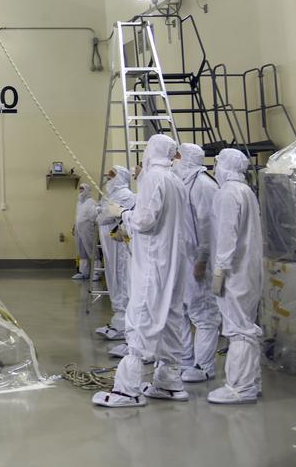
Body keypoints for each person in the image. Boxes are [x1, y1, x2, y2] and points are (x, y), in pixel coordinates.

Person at [93, 134, 192, 407]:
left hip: (153, 262)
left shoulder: (152, 178)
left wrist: (122, 213)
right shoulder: (176, 180)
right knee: (171, 320)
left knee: (140, 319)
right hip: (173, 263)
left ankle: (127, 390)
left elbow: (145, 220)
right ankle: (169, 382)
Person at [208, 148, 263, 404]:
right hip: (247, 269)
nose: (215, 167)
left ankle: (240, 387)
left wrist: (220, 268)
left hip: (234, 271)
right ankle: (252, 380)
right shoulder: (246, 191)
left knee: (238, 327)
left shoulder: (228, 193)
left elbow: (227, 234)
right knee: (246, 325)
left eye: (217, 162)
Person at [176, 143, 222, 383]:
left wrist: (202, 259)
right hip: (184, 259)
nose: (175, 159)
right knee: (183, 308)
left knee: (204, 312)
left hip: (198, 261)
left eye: (179, 155)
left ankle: (204, 366)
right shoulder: (184, 181)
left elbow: (207, 226)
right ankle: (185, 359)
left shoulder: (203, 184)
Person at [94, 166, 136, 341]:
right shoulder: (112, 196)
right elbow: (103, 214)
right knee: (113, 278)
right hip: (109, 246)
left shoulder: (125, 195)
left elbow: (105, 217)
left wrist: (102, 212)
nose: (108, 178)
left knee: (121, 278)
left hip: (119, 247)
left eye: (112, 175)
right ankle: (117, 319)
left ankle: (124, 322)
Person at [71, 184, 99, 280]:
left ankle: (97, 273)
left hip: (88, 230)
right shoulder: (79, 203)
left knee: (91, 250)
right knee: (82, 251)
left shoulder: (91, 202)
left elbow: (94, 217)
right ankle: (84, 272)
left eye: (82, 189)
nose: (80, 191)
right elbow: (77, 216)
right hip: (79, 230)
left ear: (87, 190)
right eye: (80, 189)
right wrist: (74, 226)